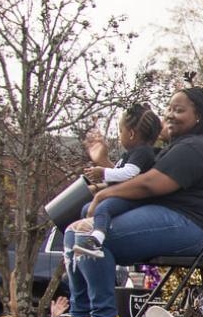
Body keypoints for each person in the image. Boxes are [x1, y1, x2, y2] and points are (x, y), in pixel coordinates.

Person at [61, 87, 203, 317]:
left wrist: (103, 195)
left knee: (92, 236)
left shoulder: (196, 147)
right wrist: (104, 164)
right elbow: (136, 179)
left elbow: (149, 185)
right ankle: (79, 315)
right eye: (168, 108)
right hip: (170, 216)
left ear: (198, 115)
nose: (170, 115)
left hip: (194, 228)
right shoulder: (179, 145)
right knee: (74, 231)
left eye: (179, 110)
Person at [70, 103, 164, 258]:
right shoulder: (131, 154)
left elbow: (129, 174)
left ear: (131, 134)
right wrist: (100, 181)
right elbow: (121, 178)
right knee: (87, 208)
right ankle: (83, 245)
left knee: (103, 207)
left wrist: (104, 172)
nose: (120, 135)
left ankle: (96, 240)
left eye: (121, 131)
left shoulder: (142, 153)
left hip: (133, 199)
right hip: (123, 195)